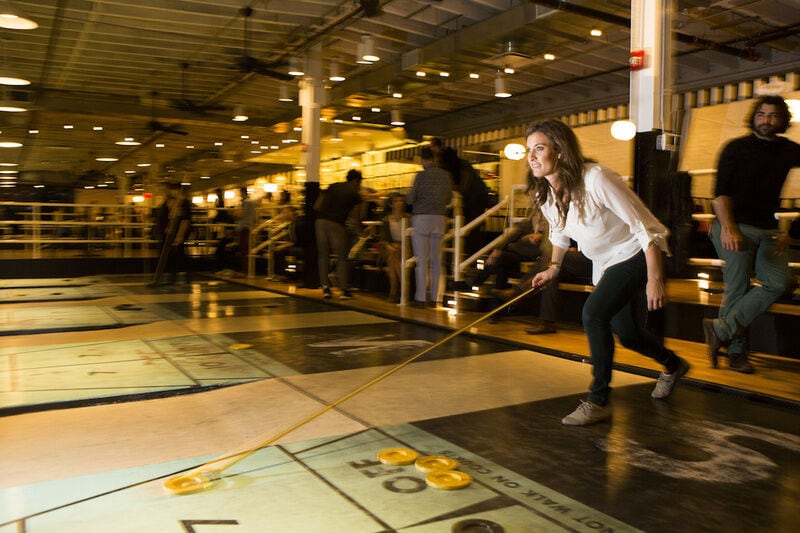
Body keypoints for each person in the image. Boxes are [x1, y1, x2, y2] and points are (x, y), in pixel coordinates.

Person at [525, 119, 689, 426]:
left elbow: (646, 226)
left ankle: (598, 400)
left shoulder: (596, 178)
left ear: (560, 151)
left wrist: (655, 278)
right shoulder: (544, 193)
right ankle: (673, 365)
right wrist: (554, 268)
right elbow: (559, 234)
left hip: (635, 254)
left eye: (539, 148)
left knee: (593, 314)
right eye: (529, 150)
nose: (531, 156)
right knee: (627, 334)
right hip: (604, 263)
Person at [704, 95, 800, 373]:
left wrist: (790, 229)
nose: (766, 120)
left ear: (783, 120)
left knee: (779, 282)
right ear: (753, 118)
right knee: (738, 287)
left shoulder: (790, 150)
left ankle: (720, 330)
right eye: (761, 114)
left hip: (769, 228)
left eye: (772, 115)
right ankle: (736, 353)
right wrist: (729, 229)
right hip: (733, 224)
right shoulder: (736, 148)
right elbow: (720, 192)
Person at [406, 146, 453, 307]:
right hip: (439, 219)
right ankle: (435, 298)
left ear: (422, 159)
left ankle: (420, 298)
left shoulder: (420, 176)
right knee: (436, 260)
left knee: (422, 261)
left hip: (421, 219)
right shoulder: (446, 176)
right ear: (435, 158)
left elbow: (410, 199)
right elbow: (448, 199)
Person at [316, 169, 363, 299]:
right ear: (355, 181)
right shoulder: (355, 194)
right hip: (336, 223)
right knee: (342, 256)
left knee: (323, 255)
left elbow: (317, 205)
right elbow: (356, 217)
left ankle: (325, 288)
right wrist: (362, 232)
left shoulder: (333, 186)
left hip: (320, 221)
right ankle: (344, 290)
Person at [154, 180, 193, 285]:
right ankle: (173, 277)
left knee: (178, 254)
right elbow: (171, 216)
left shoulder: (183, 202)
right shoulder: (172, 201)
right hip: (170, 232)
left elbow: (185, 220)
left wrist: (179, 235)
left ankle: (179, 276)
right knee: (173, 255)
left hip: (176, 233)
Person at [379, 193, 410, 303]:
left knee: (394, 257)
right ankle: (403, 288)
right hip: (391, 247)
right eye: (396, 201)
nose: (400, 203)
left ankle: (394, 292)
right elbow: (383, 239)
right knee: (394, 254)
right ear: (392, 204)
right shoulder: (386, 220)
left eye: (401, 201)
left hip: (405, 247)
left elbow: (411, 237)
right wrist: (390, 246)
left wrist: (398, 246)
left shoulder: (408, 218)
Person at [235, 186, 259, 274]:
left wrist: (235, 212)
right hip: (248, 226)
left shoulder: (246, 202)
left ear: (243, 192)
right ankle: (245, 269)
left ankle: (244, 269)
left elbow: (241, 214)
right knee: (245, 249)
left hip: (245, 227)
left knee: (244, 249)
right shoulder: (251, 203)